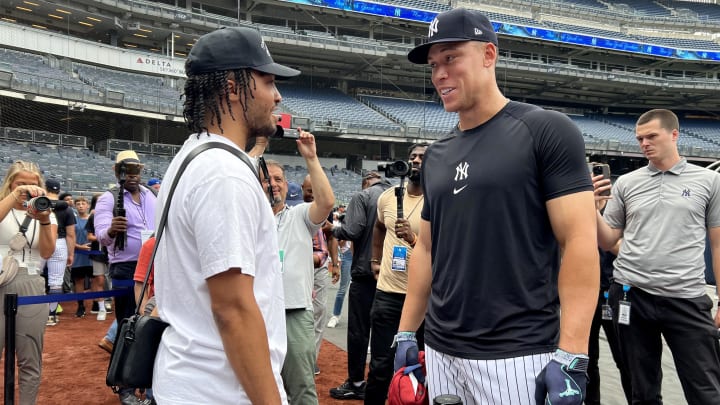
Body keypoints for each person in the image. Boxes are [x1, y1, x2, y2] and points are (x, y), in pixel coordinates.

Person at [395, 8, 599, 404]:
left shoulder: (546, 130)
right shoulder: (436, 155)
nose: (439, 74)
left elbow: (578, 241)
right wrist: (407, 330)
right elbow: (427, 248)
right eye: (434, 64)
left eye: (451, 58)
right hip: (439, 349)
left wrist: (573, 352)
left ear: (489, 55)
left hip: (518, 352)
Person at [152, 26, 300, 404]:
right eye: (267, 81)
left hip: (194, 378)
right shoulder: (223, 172)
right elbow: (232, 309)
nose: (277, 95)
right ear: (233, 87)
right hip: (222, 389)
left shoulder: (192, 156)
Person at [595, 108, 720, 405]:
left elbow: (717, 244)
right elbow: (607, 239)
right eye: (640, 138)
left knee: (706, 391)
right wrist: (592, 209)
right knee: (642, 391)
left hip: (685, 297)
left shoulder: (708, 181)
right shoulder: (627, 183)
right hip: (630, 295)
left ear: (674, 135)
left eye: (652, 136)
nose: (644, 143)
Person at [262, 153, 334, 404]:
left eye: (278, 178)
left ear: (285, 183)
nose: (273, 183)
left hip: (293, 311)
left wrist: (312, 158)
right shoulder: (249, 219)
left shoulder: (299, 215)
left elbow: (325, 202)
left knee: (301, 387)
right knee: (257, 385)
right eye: (266, 179)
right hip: (256, 313)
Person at [365, 143, 428, 404]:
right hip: (388, 293)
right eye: (412, 156)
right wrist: (375, 259)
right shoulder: (387, 196)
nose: (415, 160)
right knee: (380, 366)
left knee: (419, 366)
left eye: (422, 157)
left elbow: (444, 248)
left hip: (424, 297)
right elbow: (379, 226)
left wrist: (413, 239)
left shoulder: (440, 199)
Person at [94, 150, 157, 405]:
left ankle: (148, 385)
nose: (132, 176)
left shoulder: (151, 195)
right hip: (125, 268)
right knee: (128, 327)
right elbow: (101, 236)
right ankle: (124, 386)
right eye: (126, 170)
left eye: (135, 170)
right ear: (117, 171)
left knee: (151, 324)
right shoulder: (108, 198)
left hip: (153, 264)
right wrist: (111, 230)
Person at [329, 170, 392, 400]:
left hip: (366, 274)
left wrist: (333, 229)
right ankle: (384, 385)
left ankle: (356, 382)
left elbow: (352, 230)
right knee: (386, 334)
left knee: (359, 332)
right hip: (392, 277)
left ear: (366, 182)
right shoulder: (397, 195)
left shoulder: (363, 196)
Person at [0, 160, 58, 405]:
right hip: (1, 280)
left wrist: (44, 219)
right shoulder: (4, 206)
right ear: (10, 183)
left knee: (30, 360)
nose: (26, 189)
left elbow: (47, 252)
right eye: (20, 183)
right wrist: (14, 197)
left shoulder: (47, 213)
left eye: (32, 185)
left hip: (31, 284)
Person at [301, 174, 340, 375]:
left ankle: (311, 360)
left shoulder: (326, 208)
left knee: (319, 311)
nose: (313, 196)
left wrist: (335, 263)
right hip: (296, 265)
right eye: (309, 191)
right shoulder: (294, 207)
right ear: (302, 188)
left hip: (320, 266)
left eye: (316, 192)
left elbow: (331, 237)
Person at [43, 178, 76, 326]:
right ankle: (51, 315)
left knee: (32, 276)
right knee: (56, 282)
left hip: (42, 240)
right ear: (58, 191)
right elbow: (71, 234)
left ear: (45, 188)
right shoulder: (67, 208)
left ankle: (31, 312)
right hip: (60, 242)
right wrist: (71, 253)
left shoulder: (40, 203)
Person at [70, 195, 93, 318]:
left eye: (83, 203)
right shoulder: (73, 220)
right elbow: (70, 237)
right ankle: (80, 306)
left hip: (92, 255)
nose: (80, 206)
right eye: (78, 204)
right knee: (78, 281)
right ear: (75, 206)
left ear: (88, 205)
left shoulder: (93, 219)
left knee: (96, 280)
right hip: (78, 255)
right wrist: (79, 247)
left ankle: (96, 304)